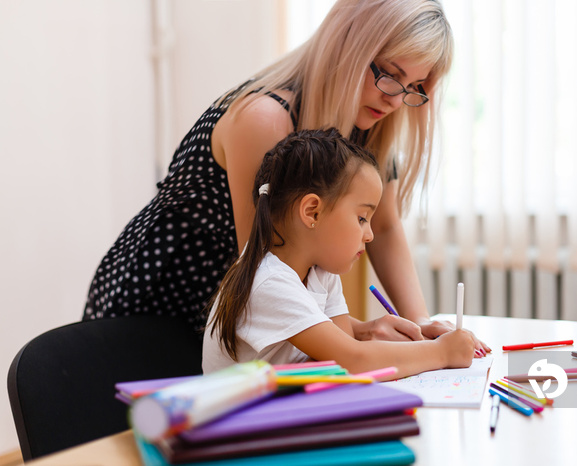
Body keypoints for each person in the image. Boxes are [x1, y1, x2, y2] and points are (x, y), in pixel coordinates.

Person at [83, 0, 489, 350]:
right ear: (346, 43)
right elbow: (264, 267)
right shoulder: (265, 119)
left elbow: (384, 228)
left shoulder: (369, 125)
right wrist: (359, 336)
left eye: (414, 86)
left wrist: (420, 328)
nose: (396, 98)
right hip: (158, 307)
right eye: (388, 73)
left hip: (241, 324)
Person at [203, 128, 479, 377]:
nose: (369, 235)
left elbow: (341, 351)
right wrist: (443, 352)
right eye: (361, 218)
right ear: (313, 211)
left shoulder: (319, 270)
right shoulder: (268, 281)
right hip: (245, 425)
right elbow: (352, 360)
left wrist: (409, 342)